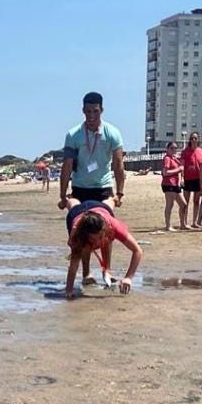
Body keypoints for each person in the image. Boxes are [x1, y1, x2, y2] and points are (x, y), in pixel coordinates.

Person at [57, 92, 125, 285]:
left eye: (95, 111)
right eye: (88, 111)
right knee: (83, 232)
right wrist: (63, 195)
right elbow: (67, 166)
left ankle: (106, 271)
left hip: (103, 187)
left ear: (101, 110)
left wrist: (119, 192)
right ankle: (86, 273)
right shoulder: (73, 135)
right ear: (83, 111)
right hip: (80, 188)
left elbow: (119, 164)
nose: (92, 116)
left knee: (107, 230)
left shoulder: (112, 133)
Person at [63, 199, 142, 299]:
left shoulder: (114, 226)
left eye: (100, 237)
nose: (98, 242)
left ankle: (113, 199)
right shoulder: (77, 235)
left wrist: (128, 278)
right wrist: (69, 290)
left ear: (104, 229)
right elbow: (73, 266)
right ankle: (70, 200)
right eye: (93, 239)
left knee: (109, 204)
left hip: (100, 208)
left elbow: (137, 250)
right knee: (73, 204)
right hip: (76, 213)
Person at [161, 141, 188, 231]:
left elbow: (180, 170)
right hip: (168, 184)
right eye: (172, 148)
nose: (174, 150)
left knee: (183, 204)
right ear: (167, 149)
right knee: (170, 205)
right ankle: (168, 226)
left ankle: (182, 224)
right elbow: (165, 172)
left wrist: (181, 180)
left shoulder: (174, 158)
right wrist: (178, 170)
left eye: (175, 148)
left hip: (175, 184)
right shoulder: (167, 159)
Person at [181, 132, 202, 228]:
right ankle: (184, 222)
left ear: (198, 139)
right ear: (190, 140)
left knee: (196, 201)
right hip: (187, 178)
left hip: (198, 179)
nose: (194, 140)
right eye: (192, 138)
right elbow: (182, 166)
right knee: (185, 202)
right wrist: (182, 178)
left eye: (195, 138)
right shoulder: (185, 151)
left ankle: (194, 222)